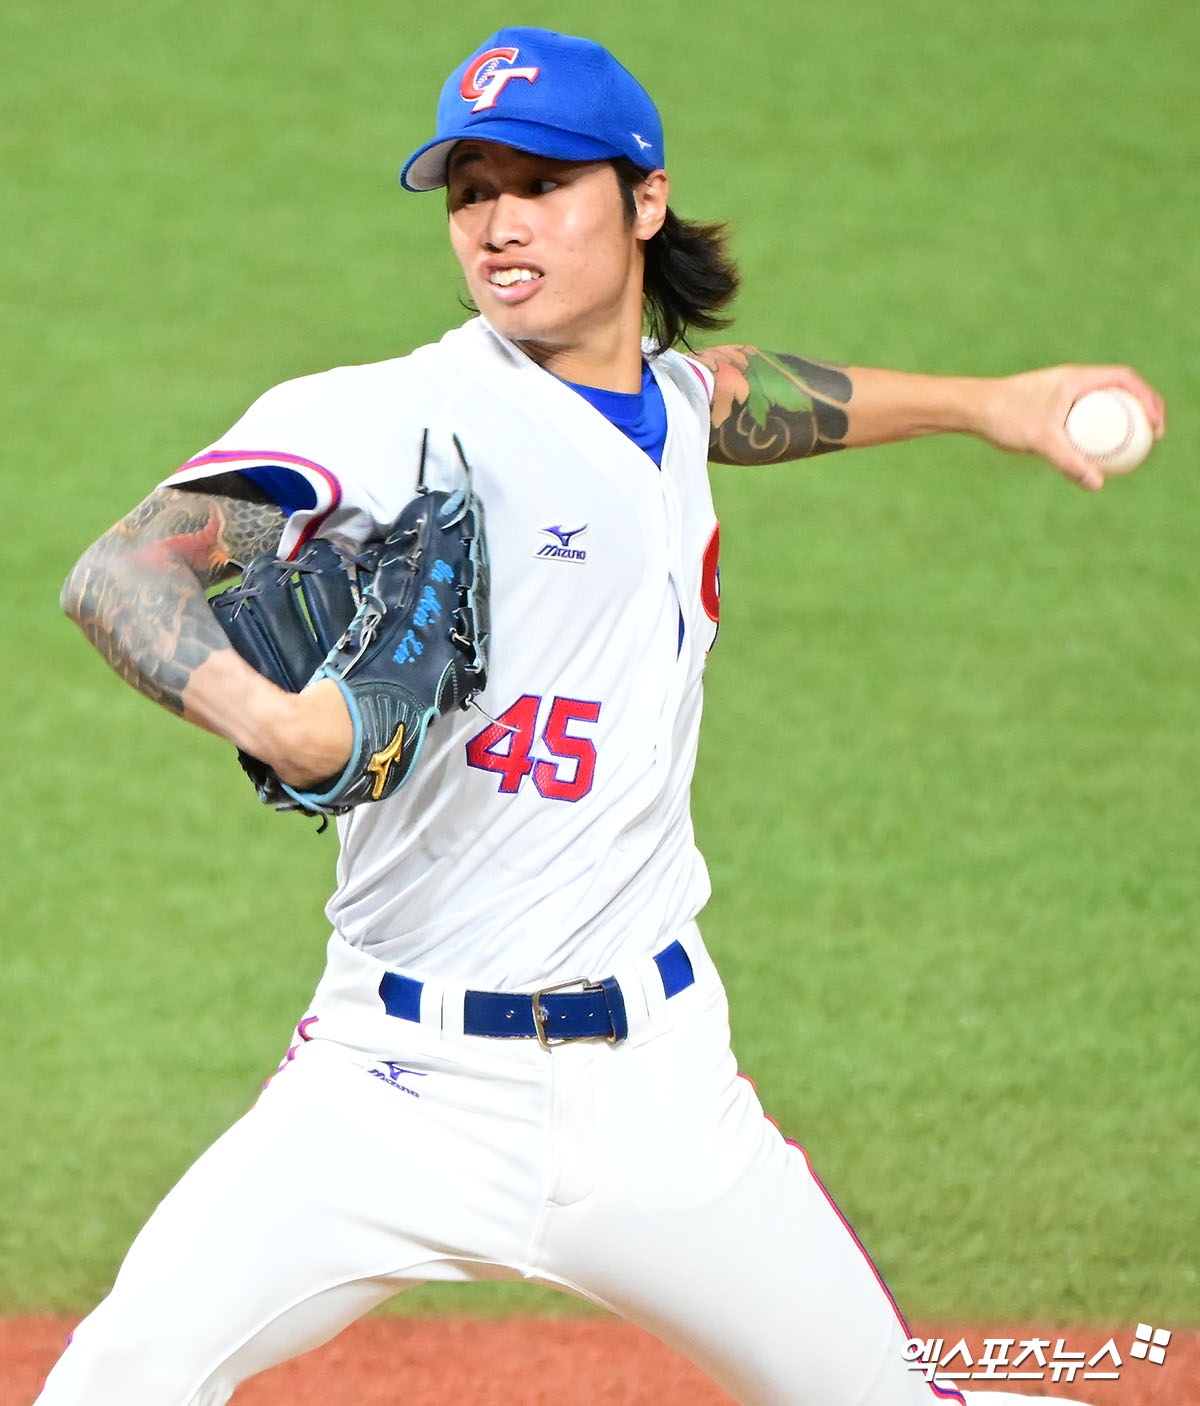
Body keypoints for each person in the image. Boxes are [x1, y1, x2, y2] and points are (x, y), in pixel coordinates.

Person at [43, 26, 1164, 1406]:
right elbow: (119, 569)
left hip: (660, 1099)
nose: (498, 226)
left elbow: (742, 398)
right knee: (115, 1382)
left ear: (642, 201)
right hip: (395, 1084)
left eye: (541, 183)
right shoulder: (400, 416)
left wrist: (998, 404)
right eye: (471, 192)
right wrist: (283, 724)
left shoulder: (671, 406)